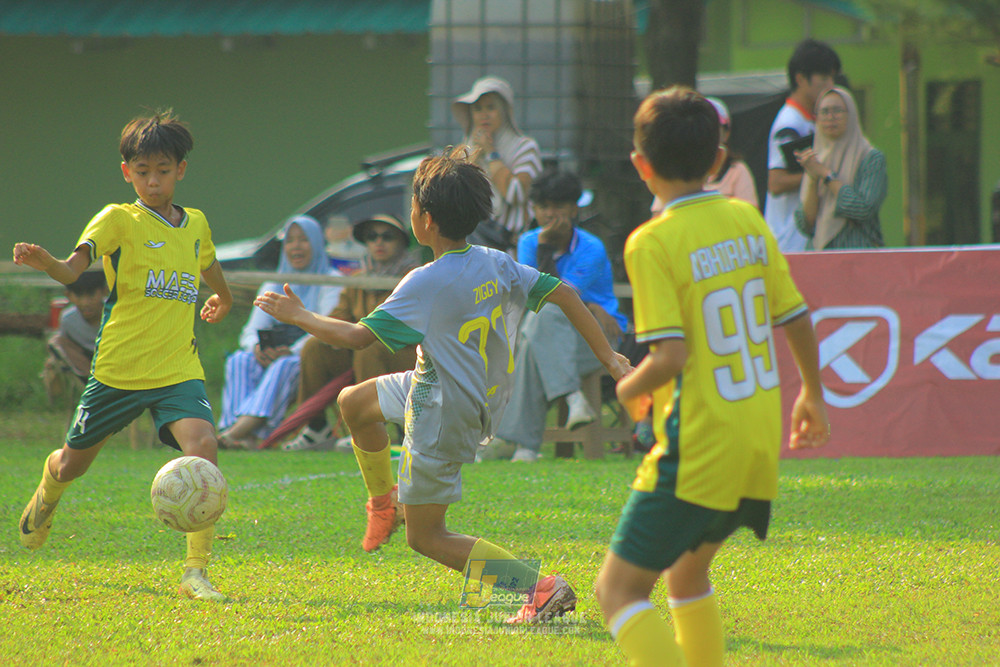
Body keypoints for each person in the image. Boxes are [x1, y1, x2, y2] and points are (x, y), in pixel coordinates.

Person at [253, 147, 632, 624]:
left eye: (411, 205)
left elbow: (354, 337)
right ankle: (382, 502)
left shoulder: (423, 281)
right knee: (354, 402)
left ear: (425, 219)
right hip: (439, 383)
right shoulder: (495, 261)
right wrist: (609, 357)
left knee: (427, 537)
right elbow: (564, 292)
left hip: (441, 410)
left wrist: (299, 315)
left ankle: (536, 587)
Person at [595, 88, 830, 666]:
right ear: (718, 161)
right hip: (753, 438)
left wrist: (626, 388)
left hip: (696, 445)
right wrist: (812, 396)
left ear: (640, 165)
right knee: (686, 576)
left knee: (616, 592)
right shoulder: (745, 217)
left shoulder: (651, 240)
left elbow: (669, 357)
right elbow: (794, 314)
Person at [13, 109, 234, 601]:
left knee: (204, 448)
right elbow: (74, 271)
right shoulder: (117, 219)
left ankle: (195, 572)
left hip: (178, 367)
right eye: (142, 171)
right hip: (118, 370)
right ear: (126, 172)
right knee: (73, 464)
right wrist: (46, 261)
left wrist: (223, 296)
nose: (152, 182)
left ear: (181, 170)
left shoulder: (194, 223)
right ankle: (47, 493)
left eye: (162, 170)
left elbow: (209, 264)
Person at [493, 169, 628, 463]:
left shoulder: (591, 247)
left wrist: (590, 307)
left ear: (574, 208)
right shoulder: (530, 241)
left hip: (600, 341)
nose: (549, 213)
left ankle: (521, 444)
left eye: (558, 206)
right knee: (537, 333)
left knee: (538, 328)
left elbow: (559, 297)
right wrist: (543, 246)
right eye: (542, 207)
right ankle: (572, 398)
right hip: (550, 337)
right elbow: (532, 298)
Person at [283, 214, 420, 451]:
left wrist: (360, 336)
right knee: (314, 346)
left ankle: (374, 427)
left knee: (370, 345)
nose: (379, 242)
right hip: (360, 354)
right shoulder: (357, 280)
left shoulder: (415, 277)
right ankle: (317, 428)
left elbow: (413, 329)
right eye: (372, 237)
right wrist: (332, 334)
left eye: (387, 237)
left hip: (409, 358)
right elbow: (339, 318)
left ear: (401, 242)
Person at [217, 215, 342, 449]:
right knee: (240, 360)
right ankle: (237, 434)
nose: (296, 246)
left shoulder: (332, 281)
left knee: (284, 365)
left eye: (303, 240)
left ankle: (239, 432)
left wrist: (290, 351)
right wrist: (256, 347)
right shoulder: (273, 283)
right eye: (290, 241)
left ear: (316, 243)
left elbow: (327, 327)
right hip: (271, 355)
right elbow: (250, 331)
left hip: (310, 360)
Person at [764, 38, 841, 253]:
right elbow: (776, 183)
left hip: (806, 239)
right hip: (789, 241)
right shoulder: (789, 124)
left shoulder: (811, 120)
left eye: (833, 78)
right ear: (800, 78)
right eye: (824, 78)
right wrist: (823, 174)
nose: (831, 86)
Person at [452, 76, 542, 252]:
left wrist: (492, 154)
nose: (484, 115)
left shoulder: (525, 147)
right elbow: (455, 197)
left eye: (491, 107)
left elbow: (516, 193)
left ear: (503, 111)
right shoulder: (465, 151)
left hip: (513, 246)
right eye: (477, 109)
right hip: (473, 246)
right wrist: (474, 158)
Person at [794, 86, 887, 249]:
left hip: (859, 256)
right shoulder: (815, 158)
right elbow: (806, 224)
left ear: (851, 115)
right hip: (820, 258)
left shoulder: (871, 158)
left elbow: (863, 209)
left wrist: (826, 175)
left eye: (837, 111)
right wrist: (812, 177)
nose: (830, 117)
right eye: (824, 112)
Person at [651, 96, 759, 215]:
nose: (707, 134)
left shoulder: (738, 170)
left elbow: (749, 215)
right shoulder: (675, 169)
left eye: (714, 128)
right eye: (701, 129)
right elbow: (658, 216)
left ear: (726, 133)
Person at [41, 270, 108, 405]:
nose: (85, 302)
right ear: (69, 296)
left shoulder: (114, 314)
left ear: (104, 292)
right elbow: (65, 345)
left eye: (91, 295)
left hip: (113, 358)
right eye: (79, 296)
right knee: (56, 341)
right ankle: (91, 381)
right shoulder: (68, 319)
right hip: (85, 362)